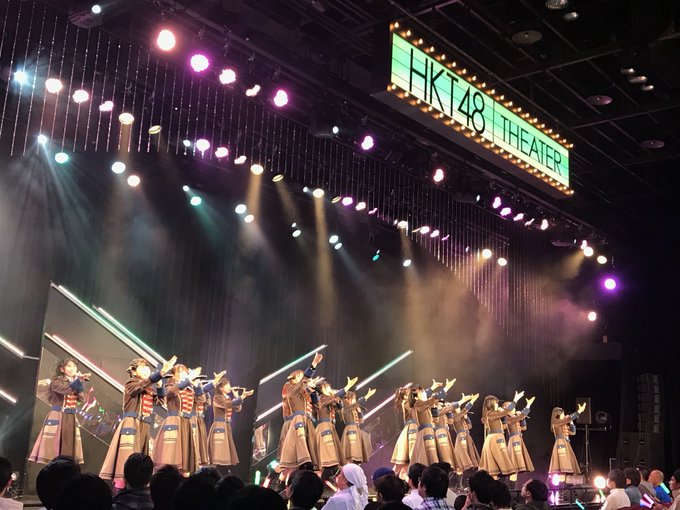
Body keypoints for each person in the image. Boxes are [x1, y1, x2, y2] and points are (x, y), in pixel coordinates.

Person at [101, 356, 176, 486]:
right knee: (128, 456)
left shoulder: (148, 388)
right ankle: (121, 487)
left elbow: (160, 401)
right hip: (132, 423)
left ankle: (136, 485)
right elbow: (139, 387)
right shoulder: (131, 384)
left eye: (147, 367)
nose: (146, 369)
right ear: (134, 371)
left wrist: (159, 386)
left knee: (140, 456)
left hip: (144, 425)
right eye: (142, 367)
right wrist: (160, 374)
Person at [153, 365, 224, 474]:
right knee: (172, 455)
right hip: (175, 422)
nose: (184, 375)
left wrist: (197, 385)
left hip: (186, 423)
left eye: (185, 372)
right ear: (173, 376)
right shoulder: (170, 387)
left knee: (185, 458)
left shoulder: (189, 389)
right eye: (180, 372)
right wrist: (188, 380)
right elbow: (170, 393)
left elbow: (202, 400)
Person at [29, 358, 90, 464]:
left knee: (68, 445)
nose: (72, 368)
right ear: (62, 369)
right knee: (54, 445)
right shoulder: (56, 381)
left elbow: (82, 399)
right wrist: (78, 381)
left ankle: (65, 465)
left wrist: (79, 383)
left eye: (74, 366)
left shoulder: (76, 381)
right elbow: (66, 390)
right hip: (58, 415)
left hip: (71, 417)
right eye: (69, 366)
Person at [280, 353, 323, 472]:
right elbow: (304, 381)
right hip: (298, 419)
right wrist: (314, 364)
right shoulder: (291, 389)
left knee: (311, 444)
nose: (304, 379)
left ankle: (308, 465)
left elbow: (317, 406)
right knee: (300, 442)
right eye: (301, 377)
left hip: (307, 420)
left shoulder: (303, 394)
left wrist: (313, 391)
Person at [208, 380, 253, 468]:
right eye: (227, 385)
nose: (229, 387)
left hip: (227, 426)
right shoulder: (217, 397)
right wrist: (241, 397)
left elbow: (237, 409)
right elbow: (227, 405)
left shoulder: (228, 398)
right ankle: (212, 471)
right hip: (219, 425)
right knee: (217, 452)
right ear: (221, 388)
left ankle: (218, 471)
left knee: (224, 451)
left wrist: (237, 396)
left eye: (229, 385)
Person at [478, 392, 524, 478]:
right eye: (496, 403)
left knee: (499, 465)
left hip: (498, 438)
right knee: (494, 466)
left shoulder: (494, 414)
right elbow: (505, 412)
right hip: (494, 439)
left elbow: (505, 414)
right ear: (491, 404)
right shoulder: (489, 414)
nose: (497, 405)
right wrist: (515, 400)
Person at [316, 378, 357, 470]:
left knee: (332, 454)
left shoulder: (328, 399)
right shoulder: (322, 398)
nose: (329, 389)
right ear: (322, 389)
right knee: (326, 454)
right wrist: (346, 387)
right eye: (327, 387)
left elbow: (338, 407)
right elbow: (334, 397)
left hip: (330, 426)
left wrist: (339, 402)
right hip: (324, 426)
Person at [548, 403, 586, 478]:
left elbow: (573, 432)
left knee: (569, 460)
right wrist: (578, 411)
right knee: (563, 461)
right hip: (561, 443)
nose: (564, 415)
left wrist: (571, 423)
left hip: (566, 443)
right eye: (562, 414)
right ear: (558, 415)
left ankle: (567, 477)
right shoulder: (556, 422)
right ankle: (562, 477)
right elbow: (567, 419)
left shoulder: (562, 424)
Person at [341, 389, 376, 464]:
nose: (354, 400)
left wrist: (360, 412)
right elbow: (355, 405)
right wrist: (367, 396)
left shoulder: (354, 409)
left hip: (356, 429)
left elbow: (361, 421)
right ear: (347, 399)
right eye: (353, 398)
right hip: (350, 429)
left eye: (355, 398)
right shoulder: (346, 408)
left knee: (356, 452)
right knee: (350, 452)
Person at [504, 397, 535, 475]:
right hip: (514, 439)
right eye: (512, 407)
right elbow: (519, 417)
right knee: (516, 458)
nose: (514, 408)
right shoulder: (507, 418)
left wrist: (522, 419)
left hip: (519, 438)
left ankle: (515, 475)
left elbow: (524, 427)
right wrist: (527, 406)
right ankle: (513, 476)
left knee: (520, 458)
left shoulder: (515, 417)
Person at [450, 394, 479, 474]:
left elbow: (470, 426)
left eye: (459, 407)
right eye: (457, 407)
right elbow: (464, 410)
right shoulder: (454, 417)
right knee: (463, 455)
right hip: (461, 436)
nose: (459, 408)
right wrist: (472, 401)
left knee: (470, 454)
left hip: (467, 435)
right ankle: (460, 479)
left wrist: (466, 418)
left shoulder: (462, 416)